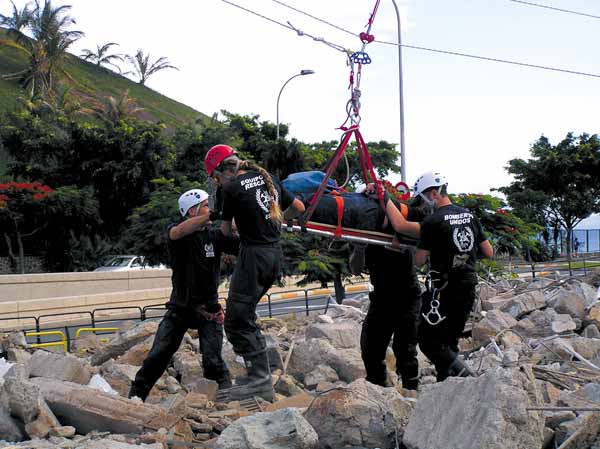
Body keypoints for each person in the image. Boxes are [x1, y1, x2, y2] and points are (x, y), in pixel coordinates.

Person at [204, 144, 305, 401]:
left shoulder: (230, 188)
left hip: (253, 256)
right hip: (273, 255)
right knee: (244, 314)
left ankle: (259, 379)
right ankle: (257, 377)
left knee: (236, 320)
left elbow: (226, 232)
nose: (217, 182)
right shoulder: (266, 176)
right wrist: (278, 221)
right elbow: (299, 209)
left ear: (223, 170)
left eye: (216, 177)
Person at [129, 189, 239, 401]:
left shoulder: (214, 236)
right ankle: (136, 396)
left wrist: (235, 220)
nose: (210, 209)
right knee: (158, 355)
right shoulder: (176, 233)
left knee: (213, 361)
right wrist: (213, 215)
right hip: (180, 308)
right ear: (192, 211)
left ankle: (225, 399)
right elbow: (177, 232)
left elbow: (240, 241)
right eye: (206, 205)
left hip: (209, 310)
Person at [412, 171, 493, 381]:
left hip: (444, 291)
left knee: (428, 341)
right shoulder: (469, 215)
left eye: (422, 199)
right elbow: (488, 252)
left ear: (432, 194)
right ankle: (448, 386)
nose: (423, 205)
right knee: (449, 341)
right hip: (467, 286)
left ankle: (469, 378)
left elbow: (419, 260)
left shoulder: (432, 222)